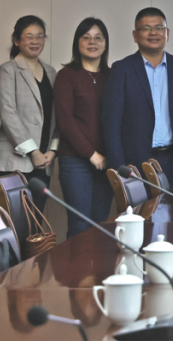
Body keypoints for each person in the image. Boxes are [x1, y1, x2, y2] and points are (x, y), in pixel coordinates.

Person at [102, 8, 173, 186]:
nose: (153, 33)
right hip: (134, 164)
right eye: (146, 28)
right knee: (141, 206)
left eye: (159, 28)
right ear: (135, 35)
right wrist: (119, 167)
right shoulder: (122, 69)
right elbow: (111, 123)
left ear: (167, 33)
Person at [54, 18, 113, 238]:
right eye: (86, 37)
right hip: (75, 161)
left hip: (107, 162)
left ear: (105, 43)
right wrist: (91, 154)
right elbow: (65, 121)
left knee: (100, 224)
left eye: (98, 38)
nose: (92, 42)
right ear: (77, 42)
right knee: (80, 226)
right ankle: (75, 264)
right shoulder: (66, 76)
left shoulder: (112, 76)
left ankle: (96, 264)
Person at [0, 15, 58, 210]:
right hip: (17, 160)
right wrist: (33, 151)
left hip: (45, 161)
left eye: (40, 36)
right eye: (29, 36)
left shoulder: (51, 72)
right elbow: (8, 113)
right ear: (17, 40)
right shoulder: (8, 70)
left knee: (37, 218)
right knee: (16, 218)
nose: (35, 41)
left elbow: (58, 115)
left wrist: (53, 150)